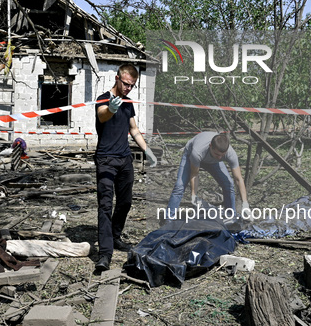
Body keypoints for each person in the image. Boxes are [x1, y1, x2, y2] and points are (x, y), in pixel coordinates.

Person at [94, 63, 157, 272]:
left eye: (132, 86)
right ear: (117, 78)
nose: (128, 88)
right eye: (126, 84)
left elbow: (134, 129)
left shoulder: (128, 102)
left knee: (126, 202)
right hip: (105, 159)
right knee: (105, 205)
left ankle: (115, 236)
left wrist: (147, 150)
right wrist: (111, 108)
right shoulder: (104, 99)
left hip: (124, 159)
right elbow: (102, 115)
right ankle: (104, 254)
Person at [166, 132, 249, 220]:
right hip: (191, 156)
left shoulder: (230, 154)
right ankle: (169, 219)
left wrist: (245, 203)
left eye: (222, 155)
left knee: (228, 184)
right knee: (179, 186)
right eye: (217, 154)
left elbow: (238, 178)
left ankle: (231, 217)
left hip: (212, 162)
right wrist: (194, 195)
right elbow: (194, 174)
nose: (220, 157)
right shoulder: (197, 152)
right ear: (210, 146)